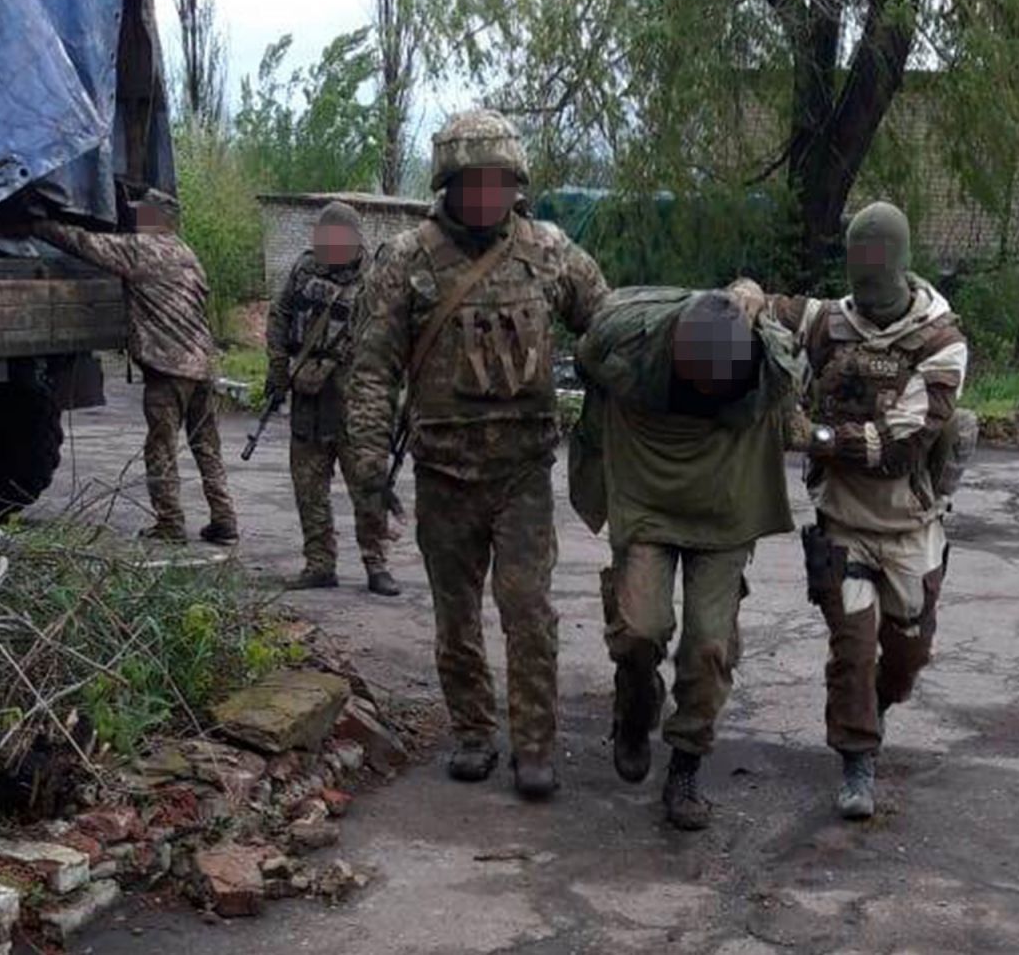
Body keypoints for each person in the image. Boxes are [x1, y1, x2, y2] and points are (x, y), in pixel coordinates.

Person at [347, 109, 609, 800]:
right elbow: (372, 369)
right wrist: (370, 471)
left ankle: (534, 745)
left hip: (523, 470)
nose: (486, 195)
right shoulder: (406, 259)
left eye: (499, 182)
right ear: (448, 182)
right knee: (455, 614)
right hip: (443, 472)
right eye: (473, 181)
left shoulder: (549, 250)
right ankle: (471, 731)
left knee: (528, 609)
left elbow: (606, 326)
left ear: (516, 183)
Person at [733, 200, 972, 821]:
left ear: (899, 265)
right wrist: (747, 295)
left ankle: (878, 706)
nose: (865, 285)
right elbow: (777, 309)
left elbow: (901, 443)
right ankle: (856, 758)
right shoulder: (831, 321)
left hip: (909, 525)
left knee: (906, 658)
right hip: (842, 520)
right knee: (853, 646)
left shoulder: (941, 343)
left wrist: (814, 437)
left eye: (875, 270)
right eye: (857, 269)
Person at [569, 286, 804, 829]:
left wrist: (751, 294)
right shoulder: (622, 344)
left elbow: (794, 376)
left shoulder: (771, 363)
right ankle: (634, 707)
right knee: (638, 630)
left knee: (709, 645)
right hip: (647, 498)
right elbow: (588, 371)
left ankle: (686, 763)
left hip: (724, 509)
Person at [28, 193, 237, 546]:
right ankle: (225, 519)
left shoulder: (142, 250)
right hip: (203, 366)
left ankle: (170, 524)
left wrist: (36, 226)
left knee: (161, 448)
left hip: (167, 367)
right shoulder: (187, 254)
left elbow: (84, 243)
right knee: (207, 448)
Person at [265, 201, 398, 596]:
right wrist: (277, 367)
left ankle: (377, 564)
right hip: (309, 397)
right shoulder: (303, 271)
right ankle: (320, 564)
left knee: (368, 488)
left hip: (356, 403)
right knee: (309, 487)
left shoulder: (376, 280)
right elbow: (279, 316)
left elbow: (394, 338)